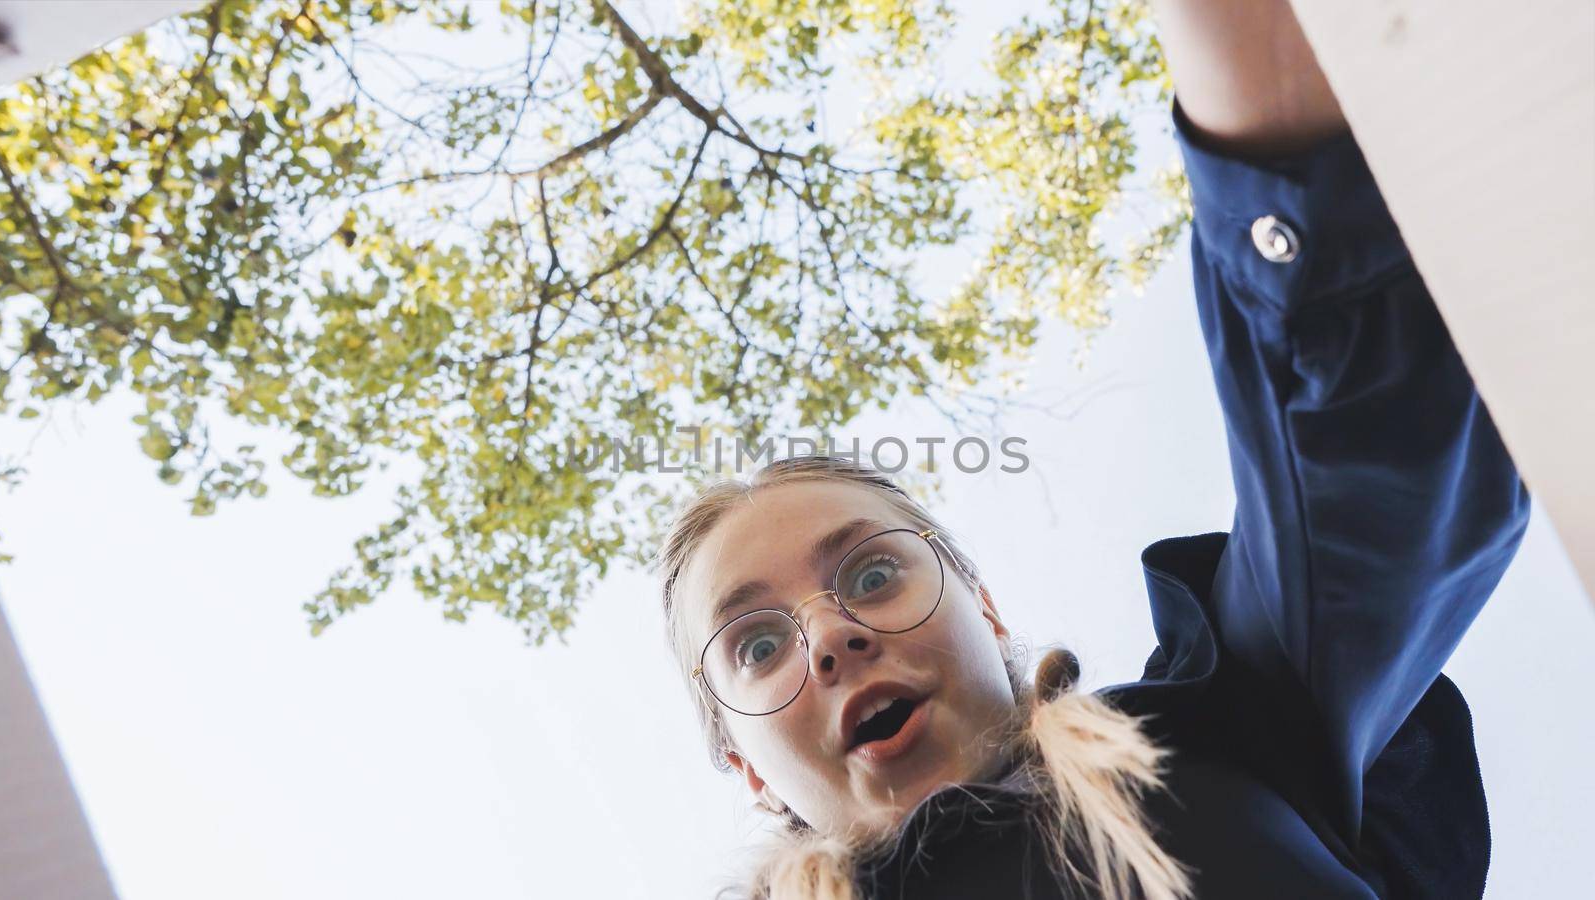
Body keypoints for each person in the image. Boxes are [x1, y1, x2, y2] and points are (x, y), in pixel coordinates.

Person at [653, 1, 1532, 897]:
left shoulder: (1229, 729)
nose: (833, 635)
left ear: (988, 617)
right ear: (751, 770)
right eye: (758, 647)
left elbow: (1365, 455)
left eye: (875, 575)